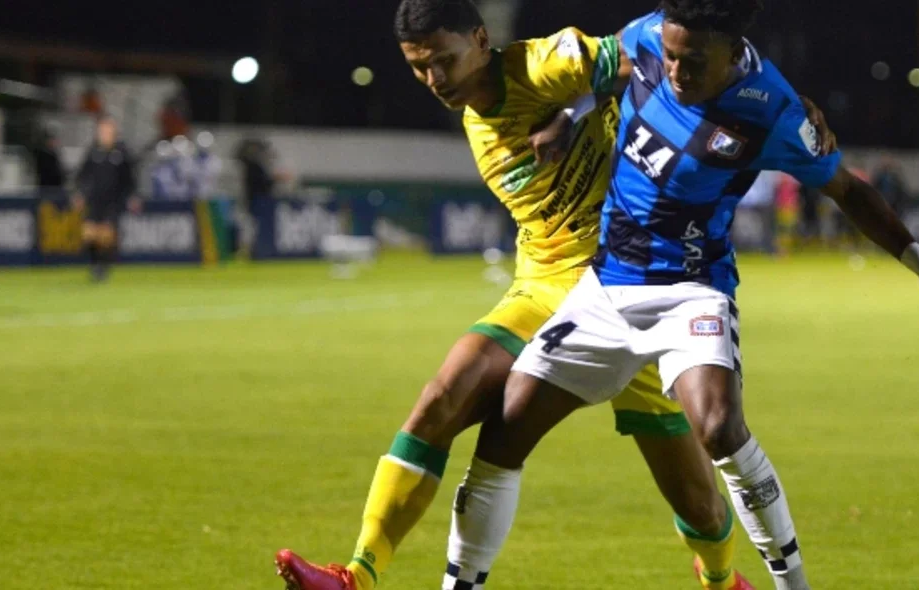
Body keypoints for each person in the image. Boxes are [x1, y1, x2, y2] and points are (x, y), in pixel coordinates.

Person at [274, 2, 834, 589]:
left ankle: (722, 581)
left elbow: (658, 49)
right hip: (544, 285)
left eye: (444, 60)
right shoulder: (473, 112)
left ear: (481, 39)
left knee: (695, 497)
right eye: (419, 68)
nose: (435, 79)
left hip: (632, 283)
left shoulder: (545, 64)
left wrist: (787, 103)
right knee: (443, 395)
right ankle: (358, 573)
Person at [435, 2, 919, 590]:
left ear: (733, 49)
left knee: (717, 427)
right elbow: (608, 71)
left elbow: (848, 190)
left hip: (692, 289)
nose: (674, 71)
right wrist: (569, 114)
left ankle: (793, 584)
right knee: (505, 428)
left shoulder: (775, 113)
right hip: (607, 285)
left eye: (692, 62)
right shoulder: (647, 37)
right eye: (668, 56)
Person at [71, 115, 138, 282]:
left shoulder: (121, 153)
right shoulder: (93, 152)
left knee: (106, 236)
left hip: (113, 201)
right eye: (102, 130)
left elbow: (129, 178)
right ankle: (96, 264)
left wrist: (132, 196)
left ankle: (103, 268)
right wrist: (79, 194)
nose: (104, 133)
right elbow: (82, 175)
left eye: (108, 130)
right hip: (94, 201)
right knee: (89, 235)